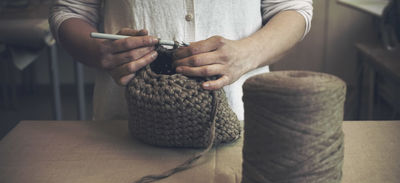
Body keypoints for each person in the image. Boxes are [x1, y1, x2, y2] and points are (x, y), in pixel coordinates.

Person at [49, 0, 313, 121]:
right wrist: (99, 51)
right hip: (124, 122)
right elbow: (69, 11)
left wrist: (247, 54)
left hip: (241, 113)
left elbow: (293, 8)